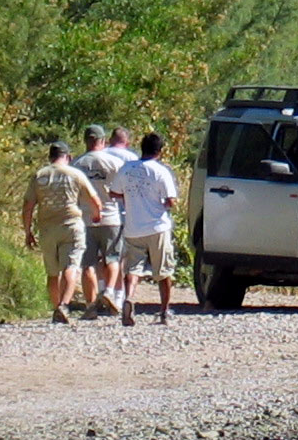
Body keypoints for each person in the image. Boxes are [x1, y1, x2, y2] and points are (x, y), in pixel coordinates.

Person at [21, 140, 102, 324]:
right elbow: (94, 200)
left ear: (50, 157)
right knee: (70, 267)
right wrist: (97, 215)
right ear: (68, 157)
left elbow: (27, 206)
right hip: (71, 226)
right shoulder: (75, 174)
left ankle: (56, 307)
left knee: (52, 272)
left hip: (47, 229)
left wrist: (27, 231)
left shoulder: (40, 175)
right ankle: (64, 305)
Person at [111, 131, 182, 326]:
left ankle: (129, 298)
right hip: (157, 226)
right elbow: (171, 201)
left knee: (133, 268)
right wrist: (162, 204)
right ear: (159, 151)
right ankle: (165, 311)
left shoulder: (127, 169)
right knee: (163, 270)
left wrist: (129, 198)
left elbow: (114, 192)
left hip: (133, 227)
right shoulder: (161, 171)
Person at [72, 124, 128, 317]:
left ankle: (90, 306)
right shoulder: (115, 163)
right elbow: (123, 189)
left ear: (85, 141)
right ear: (103, 141)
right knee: (112, 258)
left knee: (87, 264)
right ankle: (109, 291)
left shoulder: (77, 164)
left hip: (85, 219)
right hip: (111, 217)